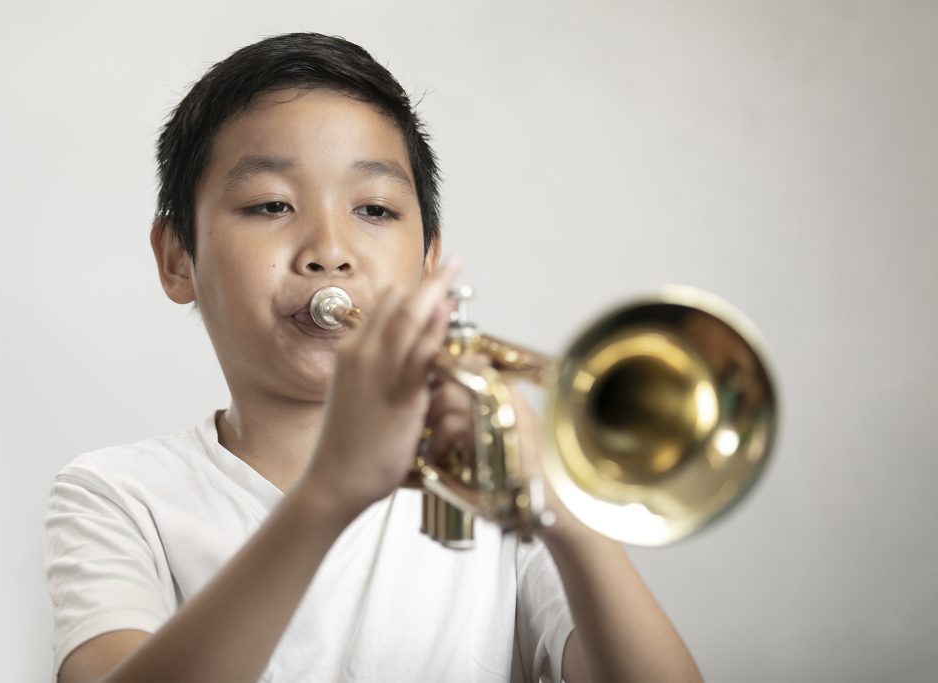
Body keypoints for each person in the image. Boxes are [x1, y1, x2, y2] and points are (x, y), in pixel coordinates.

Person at [44, 32, 703, 683]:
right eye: (271, 204)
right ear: (177, 258)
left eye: (376, 209)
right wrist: (331, 491)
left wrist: (563, 510)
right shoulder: (118, 493)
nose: (329, 250)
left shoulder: (494, 494)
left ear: (429, 265)